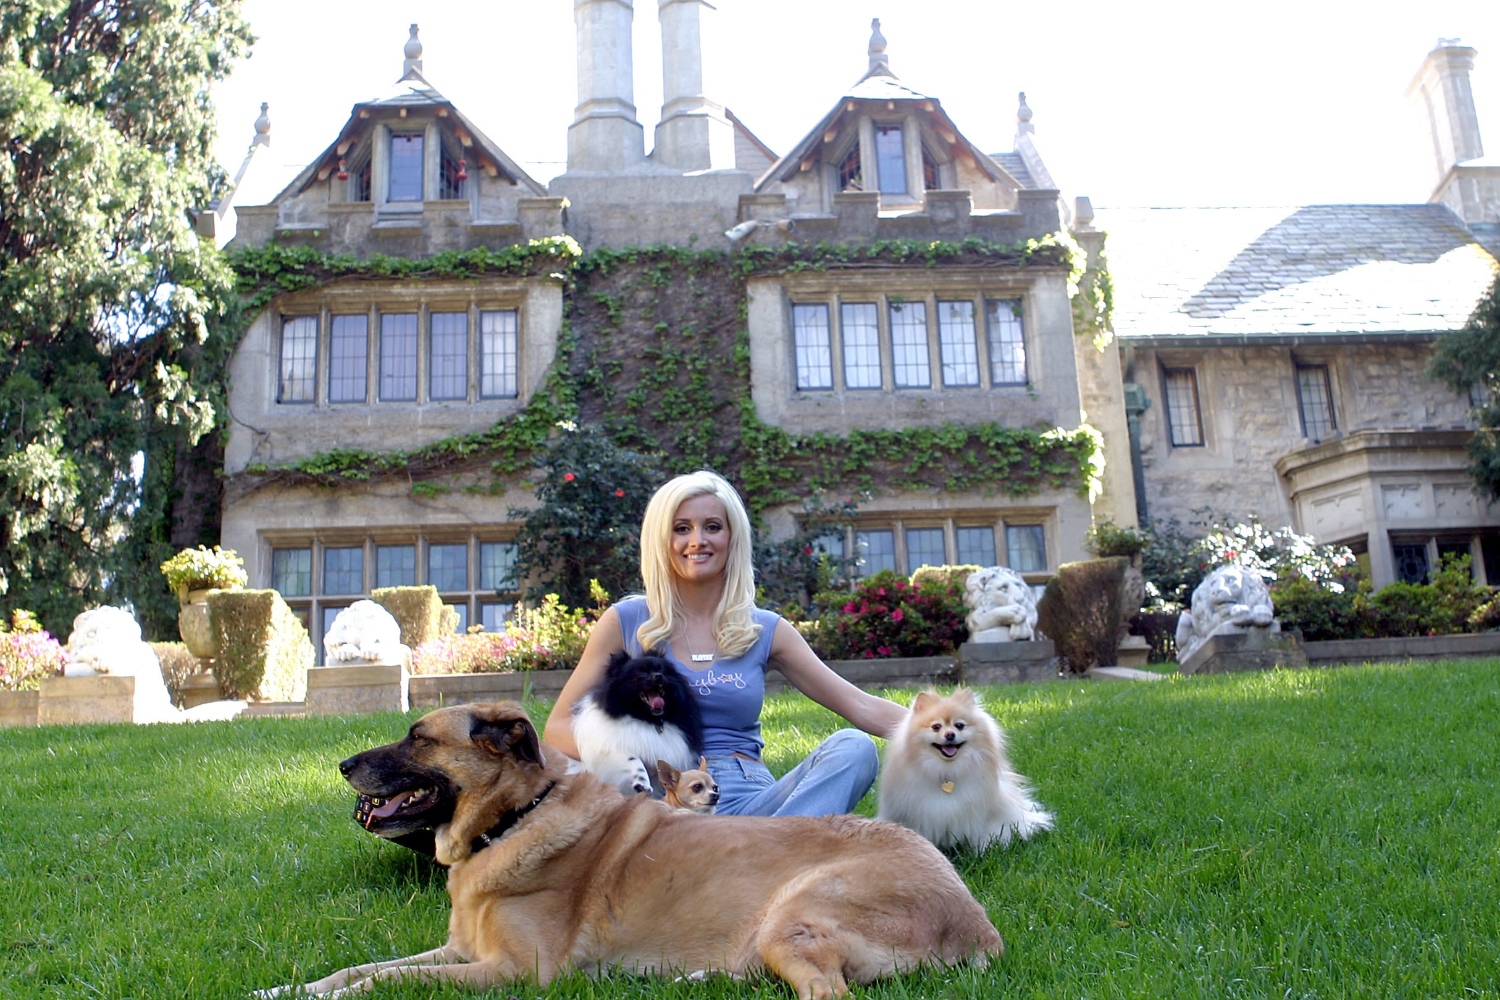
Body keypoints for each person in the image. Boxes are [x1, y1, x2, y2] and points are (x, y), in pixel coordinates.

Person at [544, 470, 908, 817]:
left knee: (854, 749)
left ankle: (762, 854)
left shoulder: (765, 628)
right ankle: (772, 861)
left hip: (750, 800)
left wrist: (955, 729)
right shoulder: (626, 621)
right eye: (681, 528)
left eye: (713, 527)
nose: (697, 541)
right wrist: (636, 756)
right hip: (667, 800)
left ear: (732, 537)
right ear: (661, 539)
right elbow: (558, 726)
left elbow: (860, 705)